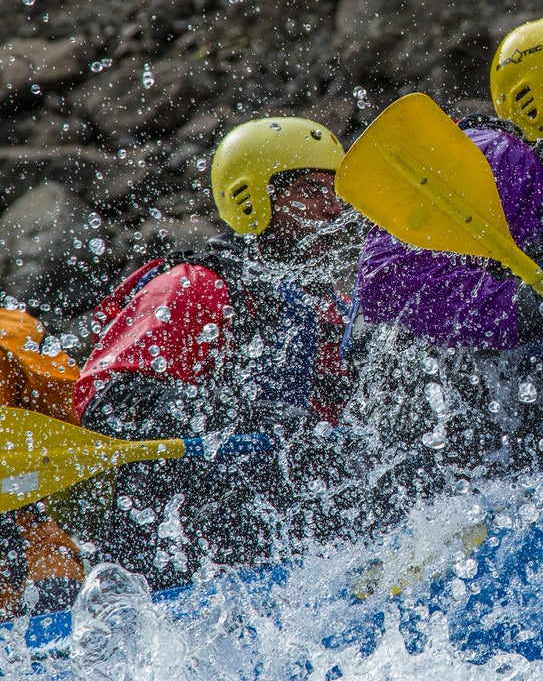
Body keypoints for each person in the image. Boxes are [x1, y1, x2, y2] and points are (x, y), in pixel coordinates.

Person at [350, 15, 543, 492]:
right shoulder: (499, 157)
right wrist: (539, 311)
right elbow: (386, 284)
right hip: (450, 460)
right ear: (534, 102)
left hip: (518, 433)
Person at [74, 116, 352, 590]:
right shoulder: (196, 287)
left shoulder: (330, 311)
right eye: (310, 192)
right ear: (254, 202)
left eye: (338, 195)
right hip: (174, 545)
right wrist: (244, 418)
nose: (331, 212)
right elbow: (110, 403)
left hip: (281, 540)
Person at [0, 307, 86, 618]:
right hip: (33, 543)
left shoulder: (13, 332)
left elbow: (72, 415)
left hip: (32, 544)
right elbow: (76, 413)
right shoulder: (14, 330)